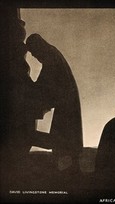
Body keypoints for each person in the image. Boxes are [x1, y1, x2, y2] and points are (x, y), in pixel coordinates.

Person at [25, 33, 83, 174]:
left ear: (38, 46)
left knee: (62, 134)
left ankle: (66, 166)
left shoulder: (50, 57)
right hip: (66, 101)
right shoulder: (52, 53)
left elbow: (45, 82)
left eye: (33, 52)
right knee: (67, 133)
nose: (33, 56)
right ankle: (71, 165)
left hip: (65, 103)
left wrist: (30, 87)